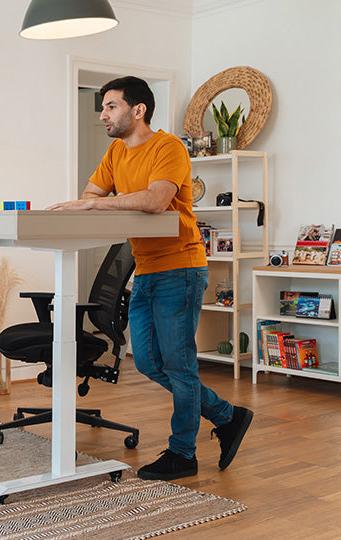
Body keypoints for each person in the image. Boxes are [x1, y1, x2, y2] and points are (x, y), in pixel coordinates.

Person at [47, 77, 253, 481]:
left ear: (137, 110)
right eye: (103, 108)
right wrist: (89, 205)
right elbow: (91, 196)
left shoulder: (169, 148)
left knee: (179, 364)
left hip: (181, 266)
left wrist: (97, 203)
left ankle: (183, 454)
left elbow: (157, 199)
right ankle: (227, 416)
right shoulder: (115, 152)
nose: (103, 115)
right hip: (146, 270)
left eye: (110, 106)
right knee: (146, 360)